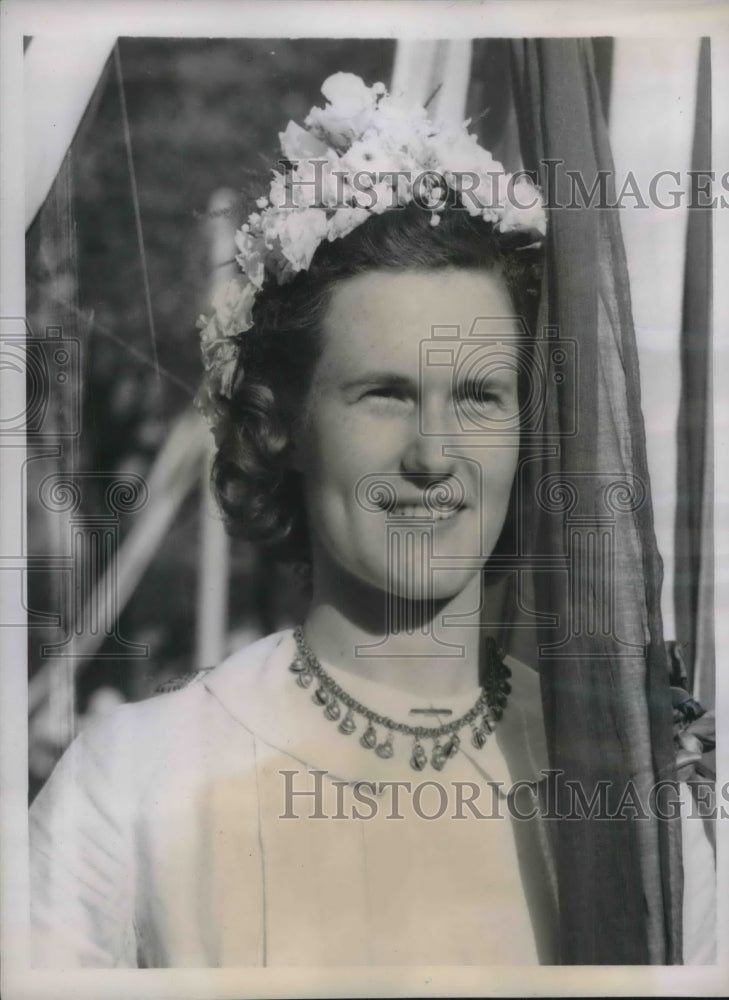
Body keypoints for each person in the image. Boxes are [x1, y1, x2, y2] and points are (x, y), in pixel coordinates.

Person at [29, 72, 714, 968]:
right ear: (282, 424)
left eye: (477, 397)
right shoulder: (132, 783)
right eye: (384, 394)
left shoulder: (623, 791)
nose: (434, 455)